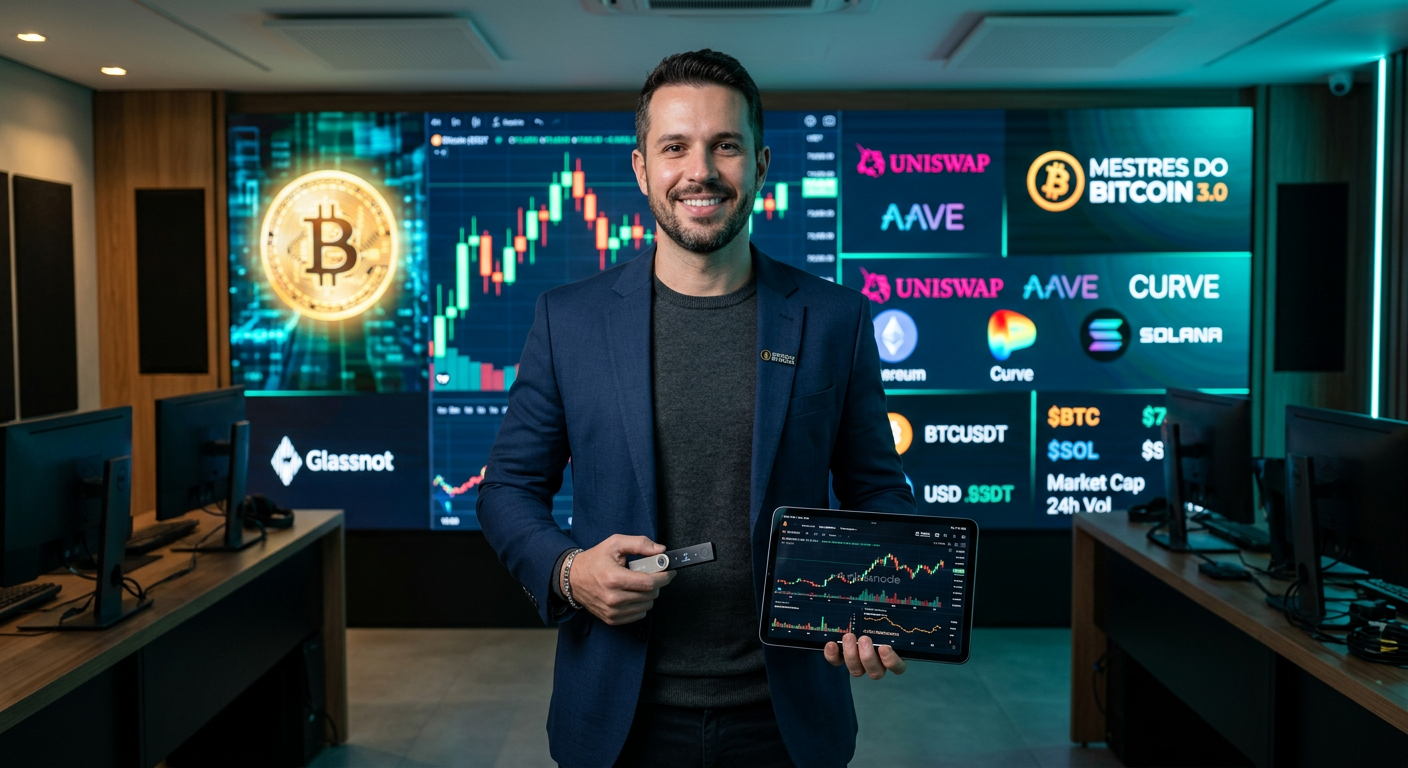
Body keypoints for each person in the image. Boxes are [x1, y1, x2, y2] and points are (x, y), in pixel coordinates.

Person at [477, 49, 915, 768]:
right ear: (641, 168)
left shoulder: (834, 319)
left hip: (787, 718)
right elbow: (507, 489)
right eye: (675, 147)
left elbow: (876, 487)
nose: (700, 171)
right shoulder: (569, 321)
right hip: (618, 718)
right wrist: (569, 572)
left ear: (761, 165)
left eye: (726, 146)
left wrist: (874, 599)